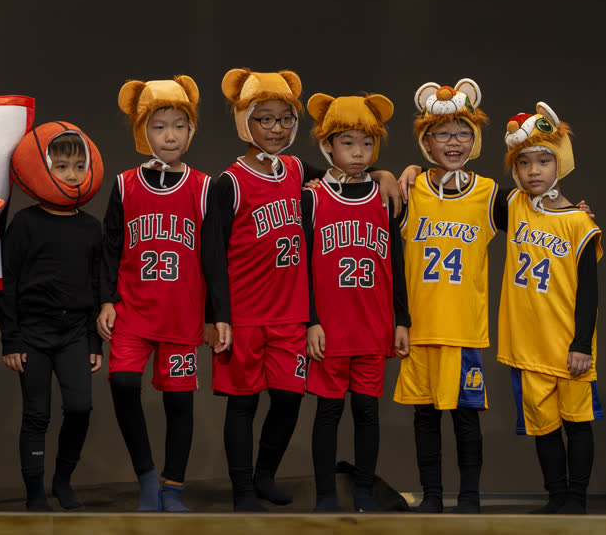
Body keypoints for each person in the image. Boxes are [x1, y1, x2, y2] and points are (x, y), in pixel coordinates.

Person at [205, 69, 408, 512]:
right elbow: (212, 254)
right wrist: (216, 314)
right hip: (244, 312)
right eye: (265, 119)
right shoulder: (230, 182)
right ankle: (243, 491)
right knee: (242, 404)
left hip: (291, 313)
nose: (276, 129)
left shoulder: (298, 170)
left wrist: (385, 173)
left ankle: (264, 474)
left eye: (285, 119)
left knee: (289, 397)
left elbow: (349, 170)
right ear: (245, 123)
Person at [98, 76, 227, 512]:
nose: (169, 135)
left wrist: (216, 315)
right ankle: (147, 478)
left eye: (179, 126)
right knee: (122, 383)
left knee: (179, 402)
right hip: (133, 309)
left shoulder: (203, 187)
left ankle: (173, 488)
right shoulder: (125, 184)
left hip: (181, 314)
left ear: (191, 131)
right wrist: (105, 300)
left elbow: (213, 258)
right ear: (142, 132)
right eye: (158, 126)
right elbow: (110, 247)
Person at [302, 92, 410, 513]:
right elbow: (302, 269)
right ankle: (326, 496)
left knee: (367, 411)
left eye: (367, 144)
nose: (358, 152)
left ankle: (364, 492)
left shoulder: (384, 197)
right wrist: (311, 320)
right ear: (328, 145)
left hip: (372, 324)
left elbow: (396, 263)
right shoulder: (312, 197)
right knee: (328, 412)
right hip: (330, 328)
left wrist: (401, 318)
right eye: (348, 143)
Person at [393, 80, 496, 514]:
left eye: (463, 134)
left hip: (463, 330)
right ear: (426, 142)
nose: (454, 142)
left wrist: (573, 210)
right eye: (443, 134)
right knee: (425, 419)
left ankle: (469, 498)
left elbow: (536, 216)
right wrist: (393, 172)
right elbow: (363, 183)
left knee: (466, 420)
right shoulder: (409, 190)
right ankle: (432, 496)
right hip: (420, 329)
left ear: (475, 141)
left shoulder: (489, 193)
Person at [497, 103, 602, 515]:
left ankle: (577, 498)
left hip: (568, 347)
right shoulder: (514, 205)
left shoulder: (579, 223)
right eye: (524, 163)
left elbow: (589, 292)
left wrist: (582, 344)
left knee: (577, 423)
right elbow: (462, 192)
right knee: (544, 428)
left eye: (543, 160)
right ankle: (556, 496)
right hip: (528, 346)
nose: (533, 171)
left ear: (561, 163)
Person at [0, 124, 105, 511]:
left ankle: (62, 479)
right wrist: (11, 339)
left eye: (78, 166)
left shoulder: (91, 228)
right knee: (36, 415)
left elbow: (98, 287)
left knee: (80, 408)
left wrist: (94, 341)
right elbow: (7, 283)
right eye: (61, 166)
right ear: (44, 169)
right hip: (32, 334)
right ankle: (35, 492)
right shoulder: (25, 224)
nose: (71, 174)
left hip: (74, 333)